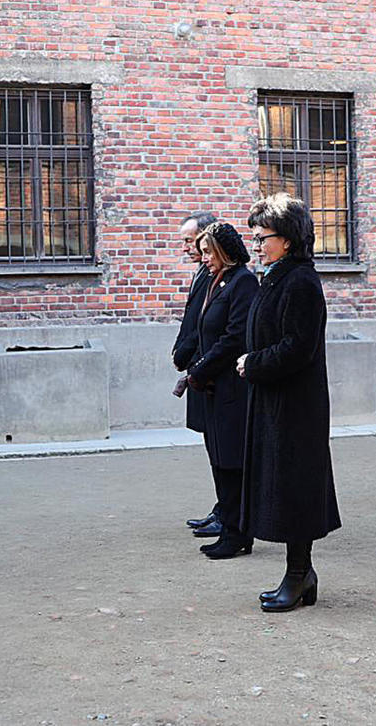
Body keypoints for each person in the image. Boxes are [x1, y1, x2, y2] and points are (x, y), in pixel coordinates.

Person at [236, 193, 341, 611]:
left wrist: (254, 363)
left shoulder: (301, 281)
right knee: (282, 485)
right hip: (276, 401)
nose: (258, 245)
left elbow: (299, 346)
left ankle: (298, 575)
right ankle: (300, 574)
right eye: (256, 237)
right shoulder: (279, 276)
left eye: (264, 237)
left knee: (294, 489)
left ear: (289, 239)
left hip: (296, 408)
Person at [185, 222, 258, 558]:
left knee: (231, 463)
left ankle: (237, 533)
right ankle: (229, 526)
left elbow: (233, 337)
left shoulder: (242, 282)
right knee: (219, 460)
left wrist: (200, 369)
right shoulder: (217, 281)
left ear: (224, 252)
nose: (204, 259)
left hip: (231, 388)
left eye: (208, 253)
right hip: (213, 387)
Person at [171, 212, 219, 535]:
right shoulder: (202, 272)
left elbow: (206, 326)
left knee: (220, 446)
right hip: (197, 368)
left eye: (190, 241)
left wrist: (184, 353)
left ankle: (227, 511)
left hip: (207, 369)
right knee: (211, 443)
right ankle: (222, 507)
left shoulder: (216, 274)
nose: (186, 248)